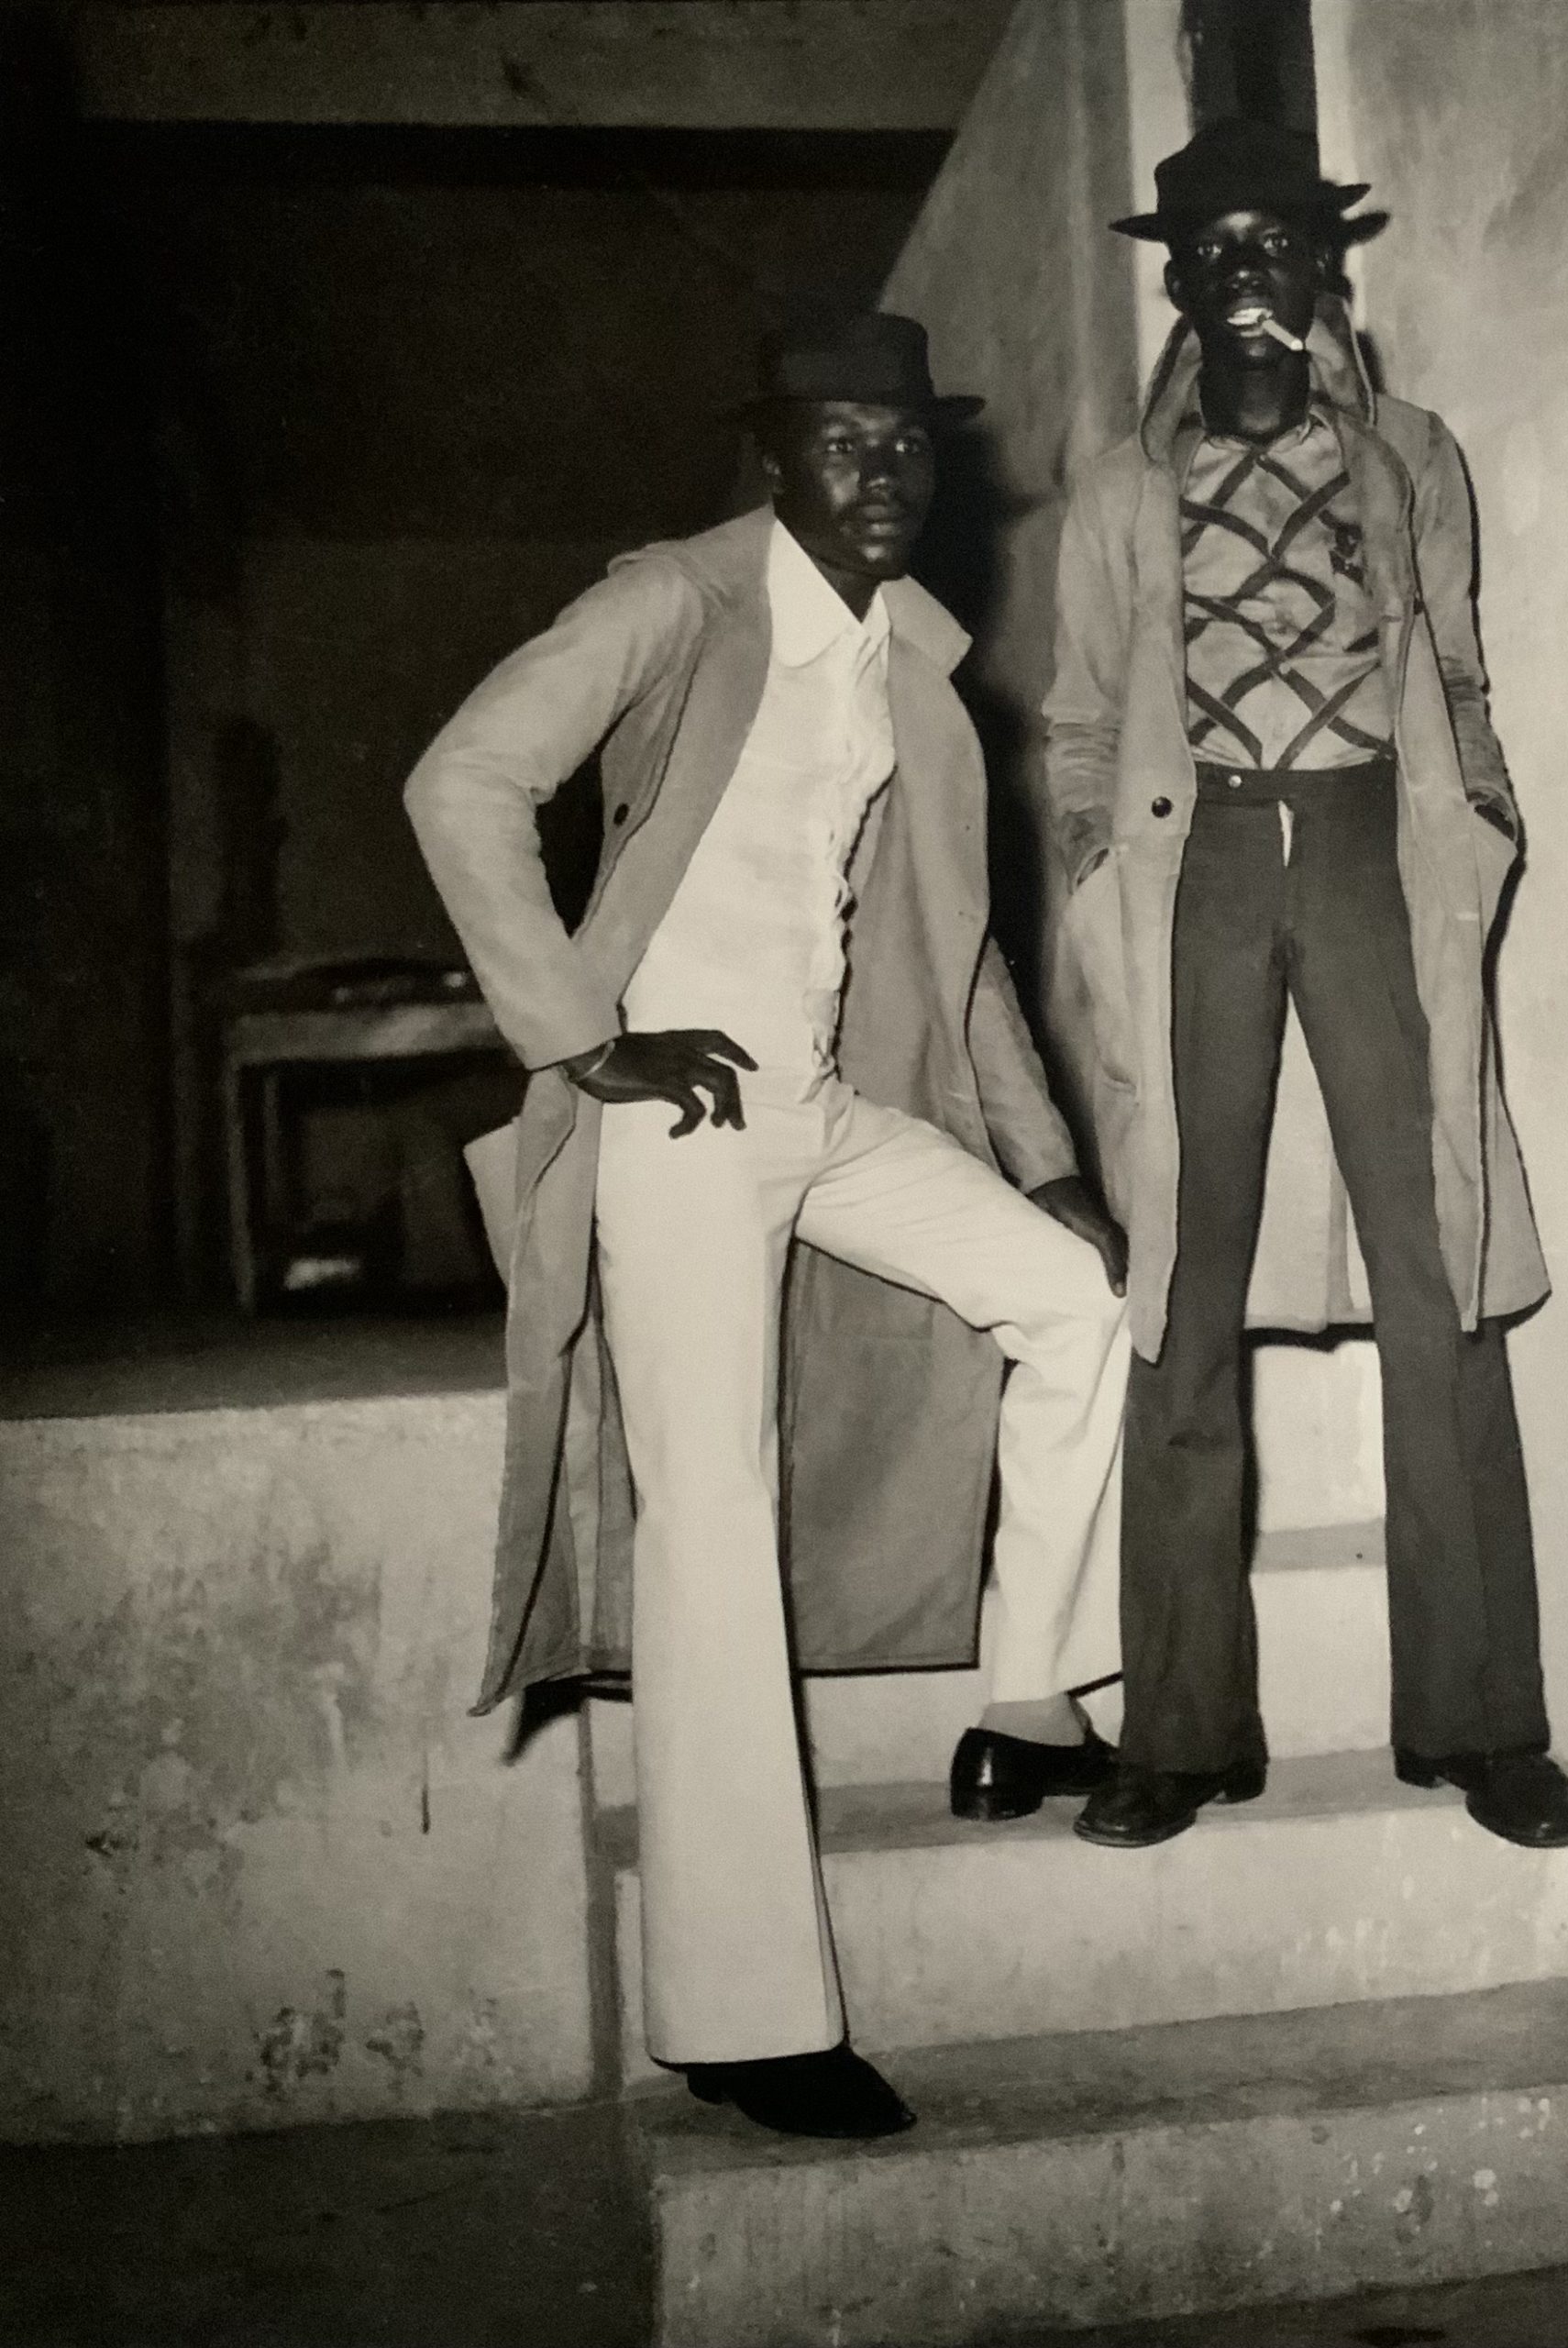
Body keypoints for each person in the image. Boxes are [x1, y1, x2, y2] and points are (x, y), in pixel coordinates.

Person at [406, 314, 1130, 2140]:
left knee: (1075, 1300)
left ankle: (1030, 1701)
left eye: (909, 442)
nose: (884, 473)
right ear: (778, 455)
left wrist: (1041, 1153)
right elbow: (462, 781)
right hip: (675, 1119)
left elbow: (957, 945)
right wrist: (583, 1034)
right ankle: (742, 2018)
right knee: (712, 1514)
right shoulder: (675, 599)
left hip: (818, 1104)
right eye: (844, 441)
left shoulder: (912, 660)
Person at [1043, 121, 1568, 1856]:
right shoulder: (1122, 490)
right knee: (1179, 1279)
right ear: (1179, 283)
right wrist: (1097, 870)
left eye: (1275, 246)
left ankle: (1481, 1721)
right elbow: (1080, 719)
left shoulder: (1411, 454)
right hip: (1194, 861)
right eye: (1214, 254)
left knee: (1439, 1263)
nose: (1247, 279)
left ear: (1321, 265)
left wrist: (1477, 823)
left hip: (1370, 847)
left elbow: (1463, 675)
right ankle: (1183, 1729)